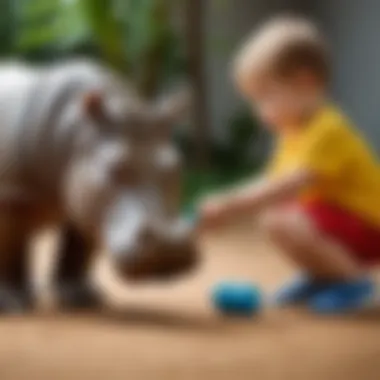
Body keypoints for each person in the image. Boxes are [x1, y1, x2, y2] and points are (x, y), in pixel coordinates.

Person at [200, 15, 380, 313]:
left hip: (370, 227)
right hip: (340, 223)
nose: (260, 112)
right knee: (277, 217)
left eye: (265, 97)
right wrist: (230, 204)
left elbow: (284, 186)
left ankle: (353, 283)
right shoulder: (292, 134)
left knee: (282, 219)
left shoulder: (328, 130)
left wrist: (229, 204)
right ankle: (324, 276)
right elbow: (272, 184)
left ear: (304, 82)